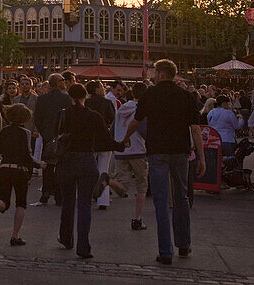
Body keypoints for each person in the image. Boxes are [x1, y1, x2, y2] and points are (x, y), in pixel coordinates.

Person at [120, 59, 204, 266]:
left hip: (157, 152)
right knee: (181, 196)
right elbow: (195, 128)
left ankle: (165, 251)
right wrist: (201, 157)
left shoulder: (151, 94)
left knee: (160, 199)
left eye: (155, 73)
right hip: (181, 152)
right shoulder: (186, 96)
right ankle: (183, 244)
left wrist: (125, 138)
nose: (153, 76)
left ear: (161, 73)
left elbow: (136, 121)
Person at [57, 83, 126, 259]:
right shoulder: (93, 116)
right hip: (87, 159)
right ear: (85, 96)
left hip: (67, 160)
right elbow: (105, 139)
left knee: (68, 201)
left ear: (69, 96)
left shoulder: (62, 115)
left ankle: (66, 238)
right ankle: (83, 246)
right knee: (84, 205)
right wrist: (121, 146)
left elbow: (53, 136)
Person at [0, 103, 37, 246]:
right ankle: (15, 235)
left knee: (5, 202)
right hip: (19, 170)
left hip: (4, 168)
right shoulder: (26, 133)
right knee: (21, 203)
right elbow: (27, 155)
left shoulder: (5, 131)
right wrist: (39, 164)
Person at [113, 81, 149, 231]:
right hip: (137, 149)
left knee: (124, 184)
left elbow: (113, 127)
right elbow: (144, 130)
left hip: (121, 149)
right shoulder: (142, 109)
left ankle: (109, 181)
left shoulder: (122, 108)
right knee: (141, 185)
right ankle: (137, 218)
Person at [33, 73, 71, 205]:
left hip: (48, 136)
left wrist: (44, 132)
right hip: (62, 136)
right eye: (62, 81)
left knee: (47, 165)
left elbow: (37, 118)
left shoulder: (42, 99)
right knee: (60, 165)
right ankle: (58, 195)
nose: (64, 83)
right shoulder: (66, 99)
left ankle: (46, 192)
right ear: (58, 83)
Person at [85, 80, 117, 210]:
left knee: (89, 169)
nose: (104, 88)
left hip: (89, 139)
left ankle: (88, 195)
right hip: (104, 138)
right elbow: (113, 119)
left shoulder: (86, 103)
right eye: (102, 86)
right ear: (98, 89)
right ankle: (103, 200)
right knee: (104, 168)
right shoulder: (107, 103)